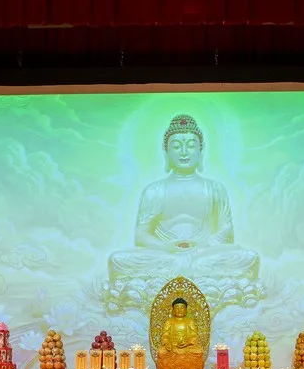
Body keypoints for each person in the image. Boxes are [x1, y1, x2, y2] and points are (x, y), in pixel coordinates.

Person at [107, 114, 259, 287]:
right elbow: (141, 235)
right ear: (166, 152)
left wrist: (202, 246)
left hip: (203, 255)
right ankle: (209, 282)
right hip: (165, 256)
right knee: (118, 260)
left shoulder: (215, 189)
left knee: (248, 258)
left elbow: (227, 231)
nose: (184, 152)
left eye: (191, 146)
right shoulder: (154, 190)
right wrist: (167, 248)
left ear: (201, 151)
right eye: (177, 146)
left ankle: (160, 282)